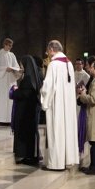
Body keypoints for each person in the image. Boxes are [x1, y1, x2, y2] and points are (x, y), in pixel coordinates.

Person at [40, 40, 79, 171]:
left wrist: (43, 99)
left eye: (47, 51)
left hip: (57, 105)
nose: (47, 54)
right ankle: (67, 160)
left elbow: (48, 87)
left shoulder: (54, 64)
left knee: (56, 132)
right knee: (66, 131)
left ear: (51, 49)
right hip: (68, 106)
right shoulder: (69, 64)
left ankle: (56, 163)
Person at [12, 55, 43, 165]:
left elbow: (24, 94)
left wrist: (14, 92)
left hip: (25, 111)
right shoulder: (33, 77)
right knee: (30, 133)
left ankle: (28, 156)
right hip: (30, 111)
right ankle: (30, 155)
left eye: (21, 65)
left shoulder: (28, 79)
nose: (20, 67)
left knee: (26, 133)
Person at [0, 37, 21, 126]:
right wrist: (5, 69)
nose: (10, 47)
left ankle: (10, 118)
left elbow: (17, 67)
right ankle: (0, 119)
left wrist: (13, 69)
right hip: (2, 81)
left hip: (10, 80)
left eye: (11, 46)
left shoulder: (12, 55)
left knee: (10, 99)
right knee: (2, 99)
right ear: (5, 45)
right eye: (9, 45)